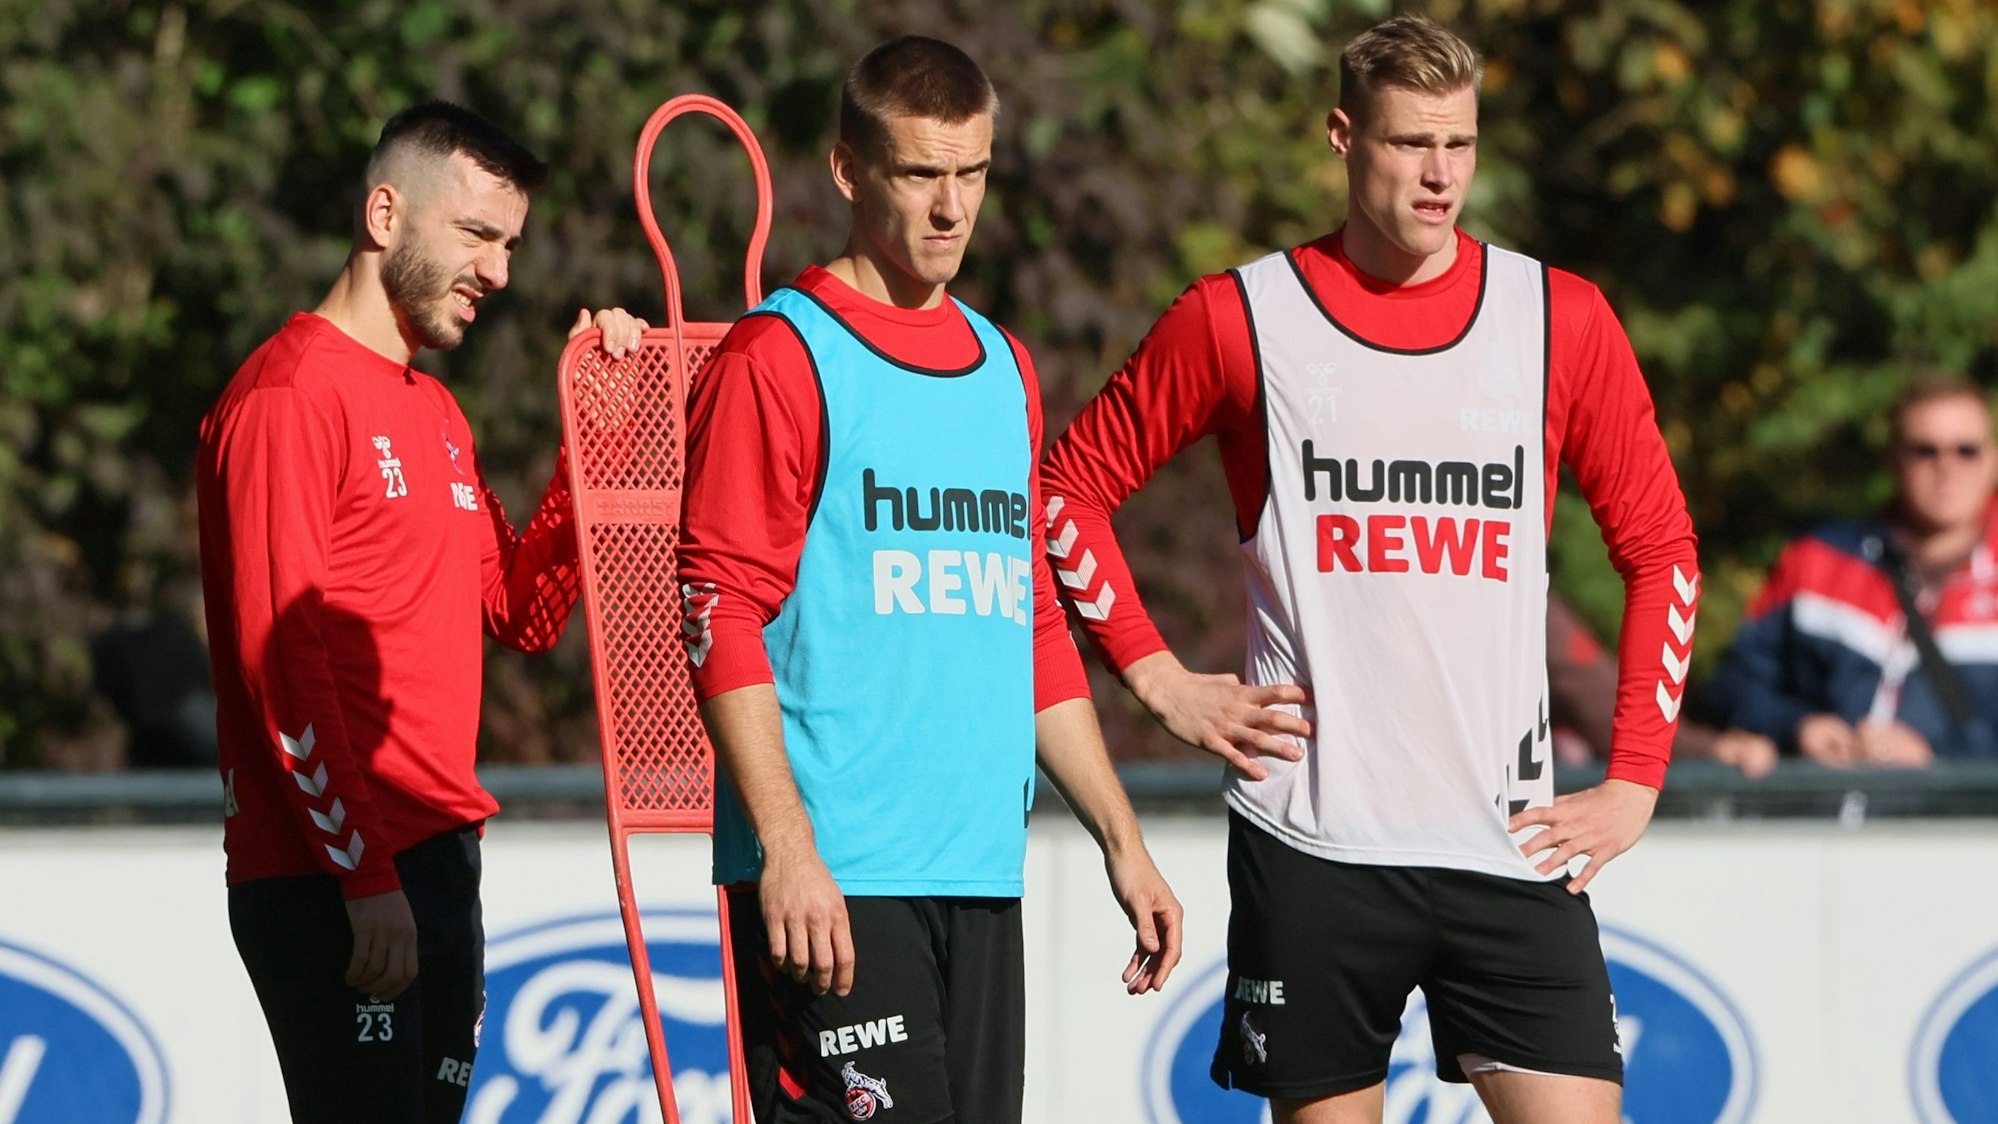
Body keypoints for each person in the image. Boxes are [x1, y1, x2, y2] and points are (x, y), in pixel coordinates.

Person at [1039, 16, 1700, 1124]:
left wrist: (1635, 775)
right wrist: (1156, 676)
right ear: (1344, 137)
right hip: (1315, 843)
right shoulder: (1241, 316)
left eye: (1460, 143)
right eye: (1410, 143)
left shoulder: (1560, 317)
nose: (1441, 175)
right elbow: (1066, 490)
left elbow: (1662, 549)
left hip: (1509, 845)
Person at [677, 36, 1183, 1124]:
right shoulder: (779, 355)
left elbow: (1031, 629)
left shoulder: (1003, 367)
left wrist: (1122, 840)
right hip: (835, 881)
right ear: (849, 170)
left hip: (980, 873)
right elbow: (718, 610)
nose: (951, 207)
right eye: (919, 173)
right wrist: (787, 845)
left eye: (973, 172)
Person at [197, 101, 644, 1124]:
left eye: (510, 245)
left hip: (438, 862)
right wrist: (362, 875)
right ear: (384, 214)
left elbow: (522, 612)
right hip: (333, 870)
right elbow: (279, 663)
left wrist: (599, 439)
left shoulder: (435, 409)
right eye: (478, 234)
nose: (500, 272)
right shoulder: (287, 396)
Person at [1713, 378, 1998, 765]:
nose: (1946, 467)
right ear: (1893, 460)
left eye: (1967, 451)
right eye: (1924, 451)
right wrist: (1798, 726)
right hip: (1820, 800)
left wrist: (1935, 760)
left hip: (1963, 805)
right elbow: (1732, 686)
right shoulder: (1815, 560)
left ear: (1992, 459)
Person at [1547, 595, 1777, 778]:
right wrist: (1709, 748)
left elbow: (1597, 696)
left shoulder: (1541, 611)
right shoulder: (1539, 614)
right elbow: (1602, 707)